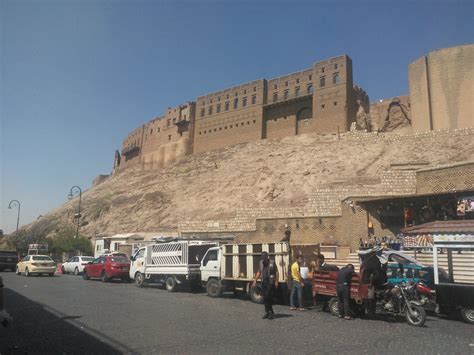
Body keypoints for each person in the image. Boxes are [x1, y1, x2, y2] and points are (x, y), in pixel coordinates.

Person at [252, 251, 279, 319]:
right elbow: (259, 271)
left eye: (264, 256)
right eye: (262, 257)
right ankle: (267, 312)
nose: (263, 258)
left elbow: (276, 272)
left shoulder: (272, 262)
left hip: (270, 282)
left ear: (267, 256)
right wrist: (255, 280)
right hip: (263, 282)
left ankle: (270, 312)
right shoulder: (261, 263)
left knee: (267, 296)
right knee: (264, 298)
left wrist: (276, 281)